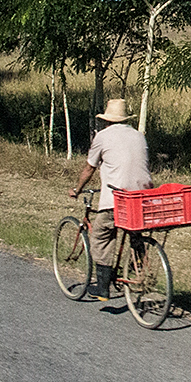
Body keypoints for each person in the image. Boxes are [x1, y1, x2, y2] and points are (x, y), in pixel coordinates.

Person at [69, 99, 153, 301]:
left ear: (107, 121)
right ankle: (140, 268)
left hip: (117, 197)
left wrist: (77, 189)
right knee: (134, 230)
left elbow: (90, 168)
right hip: (141, 197)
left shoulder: (102, 137)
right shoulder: (139, 136)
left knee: (101, 234)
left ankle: (103, 287)